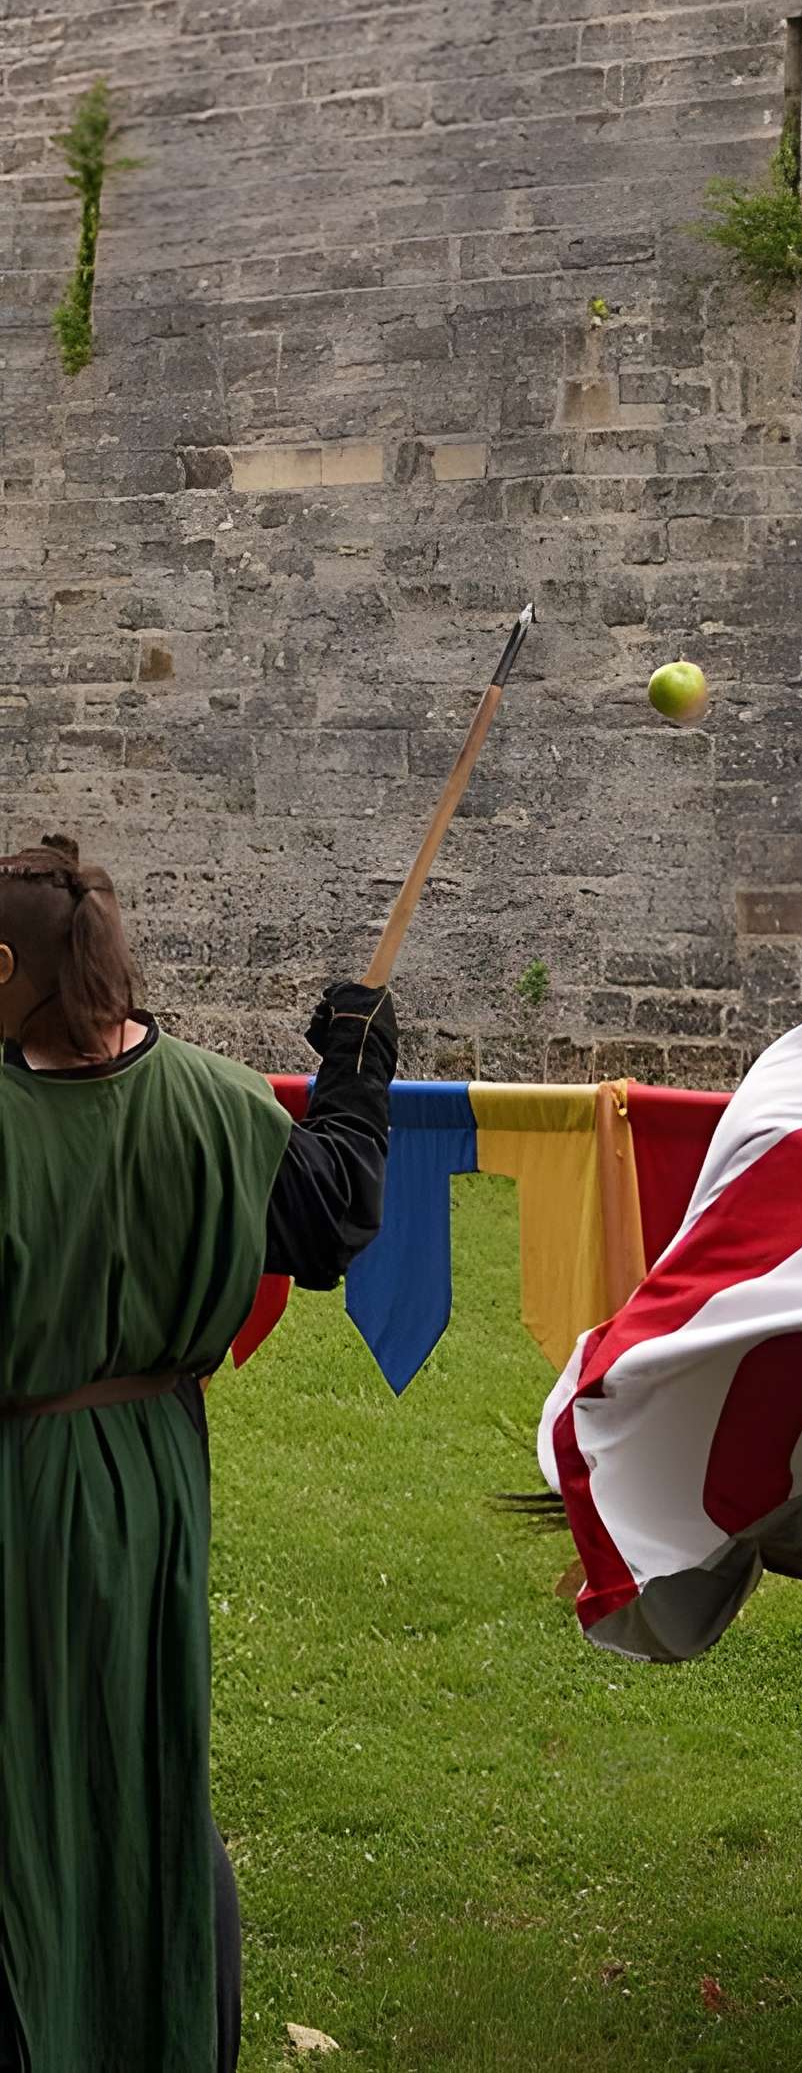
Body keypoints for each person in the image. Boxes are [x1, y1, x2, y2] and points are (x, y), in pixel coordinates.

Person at [0, 836, 395, 2073]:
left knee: (34, 1786)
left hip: (18, 1491)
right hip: (150, 1478)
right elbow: (330, 1213)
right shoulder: (220, 1102)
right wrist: (358, 1072)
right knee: (142, 1762)